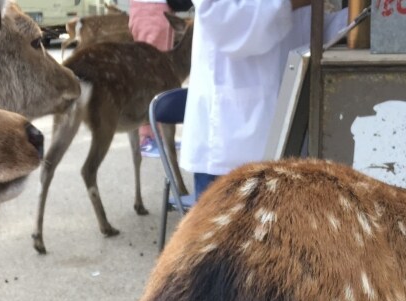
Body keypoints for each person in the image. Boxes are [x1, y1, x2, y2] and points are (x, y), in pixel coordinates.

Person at [182, 0, 347, 198]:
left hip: (290, 135)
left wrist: (357, 18)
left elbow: (309, 29)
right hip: (231, 144)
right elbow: (222, 19)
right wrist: (292, 3)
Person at [129, 0, 177, 157]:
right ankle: (145, 138)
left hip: (157, 8)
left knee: (161, 76)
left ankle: (158, 135)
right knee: (150, 76)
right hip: (150, 8)